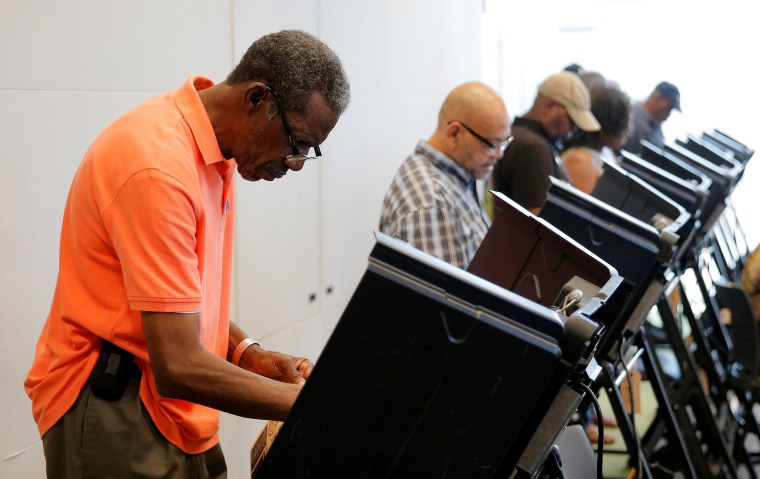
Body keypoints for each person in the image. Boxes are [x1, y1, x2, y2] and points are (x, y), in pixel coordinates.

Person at [24, 30, 350, 478]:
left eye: (306, 154)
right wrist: (313, 406)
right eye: (295, 144)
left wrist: (246, 352)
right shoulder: (158, 167)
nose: (292, 164)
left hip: (170, 404)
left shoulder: (215, 151)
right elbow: (177, 364)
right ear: (256, 99)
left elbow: (175, 299)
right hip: (114, 402)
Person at [379, 82, 510, 269]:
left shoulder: (457, 175)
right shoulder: (430, 204)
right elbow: (446, 297)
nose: (499, 154)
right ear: (454, 133)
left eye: (504, 143)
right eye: (492, 145)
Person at [491, 72, 600, 215]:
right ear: (550, 107)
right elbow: (539, 222)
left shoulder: (521, 136)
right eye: (571, 121)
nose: (572, 130)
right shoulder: (532, 148)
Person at [561, 86, 631, 194]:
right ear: (611, 125)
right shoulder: (580, 160)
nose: (627, 131)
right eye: (625, 123)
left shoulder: (604, 152)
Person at [622, 81, 681, 154]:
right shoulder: (634, 119)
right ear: (657, 98)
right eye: (668, 108)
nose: (668, 114)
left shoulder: (655, 124)